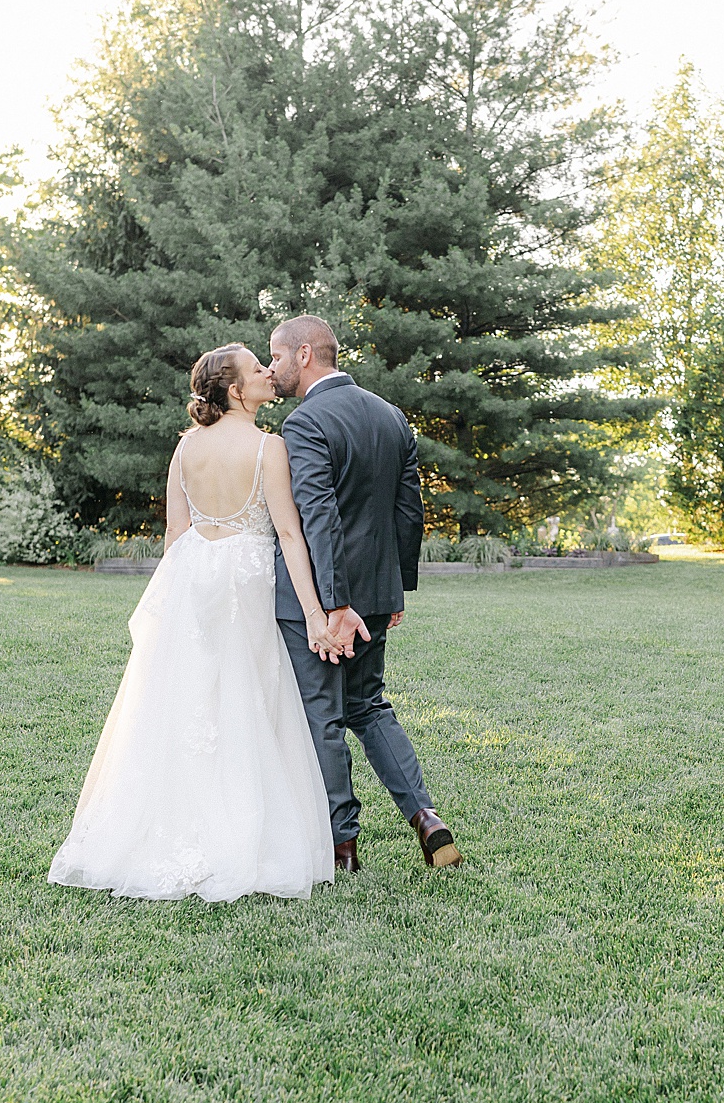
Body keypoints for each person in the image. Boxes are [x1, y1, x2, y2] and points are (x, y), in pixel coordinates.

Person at [47, 344, 341, 902]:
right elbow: (287, 535)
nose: (267, 375)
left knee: (190, 701)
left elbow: (176, 534)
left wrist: (171, 599)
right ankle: (241, 836)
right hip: (247, 581)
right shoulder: (268, 448)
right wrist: (313, 613)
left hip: (195, 578)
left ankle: (170, 826)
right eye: (258, 369)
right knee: (247, 697)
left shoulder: (185, 450)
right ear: (235, 391)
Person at [267, 314, 462, 872]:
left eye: (276, 357)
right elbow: (409, 510)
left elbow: (319, 517)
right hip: (376, 594)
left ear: (305, 354)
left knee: (323, 715)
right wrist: (394, 588)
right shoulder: (391, 416)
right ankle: (425, 817)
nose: (272, 368)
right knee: (369, 706)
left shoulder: (305, 423)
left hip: (328, 602)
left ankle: (343, 846)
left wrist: (332, 605)